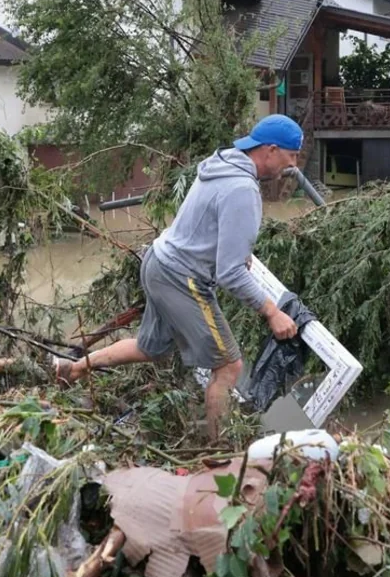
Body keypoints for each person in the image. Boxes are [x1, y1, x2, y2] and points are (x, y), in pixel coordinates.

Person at [55, 114, 304, 439]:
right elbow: (230, 274)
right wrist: (272, 312)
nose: (293, 164)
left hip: (158, 262)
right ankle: (219, 454)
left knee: (152, 348)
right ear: (271, 150)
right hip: (182, 277)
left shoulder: (220, 165)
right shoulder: (242, 188)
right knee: (229, 366)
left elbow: (208, 229)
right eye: (292, 155)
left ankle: (71, 369)